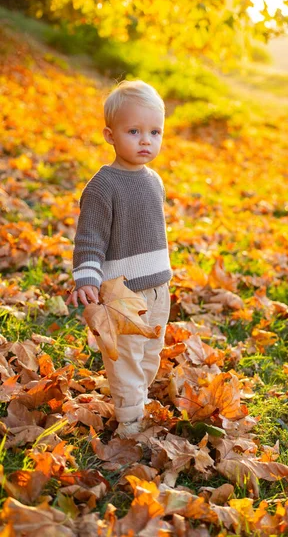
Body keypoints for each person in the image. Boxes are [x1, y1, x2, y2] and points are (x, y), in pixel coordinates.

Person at [65, 79, 173, 438]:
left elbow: (149, 231)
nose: (146, 140)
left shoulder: (153, 180)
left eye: (154, 131)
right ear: (110, 135)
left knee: (149, 354)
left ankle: (135, 400)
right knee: (126, 358)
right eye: (134, 131)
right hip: (122, 294)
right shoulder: (103, 186)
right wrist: (87, 279)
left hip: (158, 290)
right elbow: (90, 239)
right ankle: (129, 423)